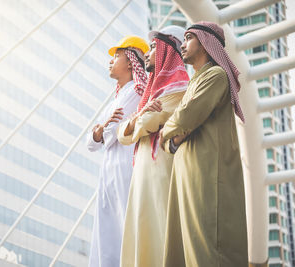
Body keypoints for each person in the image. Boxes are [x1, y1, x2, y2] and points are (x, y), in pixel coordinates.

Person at [160, 21, 248, 267]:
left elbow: (185, 116)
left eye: (188, 38)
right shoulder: (196, 82)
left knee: (208, 250)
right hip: (190, 176)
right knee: (187, 251)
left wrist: (169, 132)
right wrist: (172, 137)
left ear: (206, 43)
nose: (183, 45)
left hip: (208, 178)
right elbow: (174, 132)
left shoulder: (216, 75)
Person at [117, 26, 189, 267]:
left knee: (161, 235)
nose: (148, 53)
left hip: (162, 170)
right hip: (143, 172)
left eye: (155, 47)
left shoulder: (179, 89)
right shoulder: (152, 95)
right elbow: (123, 135)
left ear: (170, 51)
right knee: (141, 236)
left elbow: (145, 123)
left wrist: (137, 120)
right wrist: (140, 118)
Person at [86, 35, 149, 267]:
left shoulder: (137, 92)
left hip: (126, 169)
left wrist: (102, 130)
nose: (110, 61)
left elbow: (111, 134)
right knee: (105, 232)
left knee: (124, 228)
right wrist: (102, 130)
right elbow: (91, 142)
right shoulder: (116, 100)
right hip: (108, 171)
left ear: (132, 62)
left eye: (117, 56)